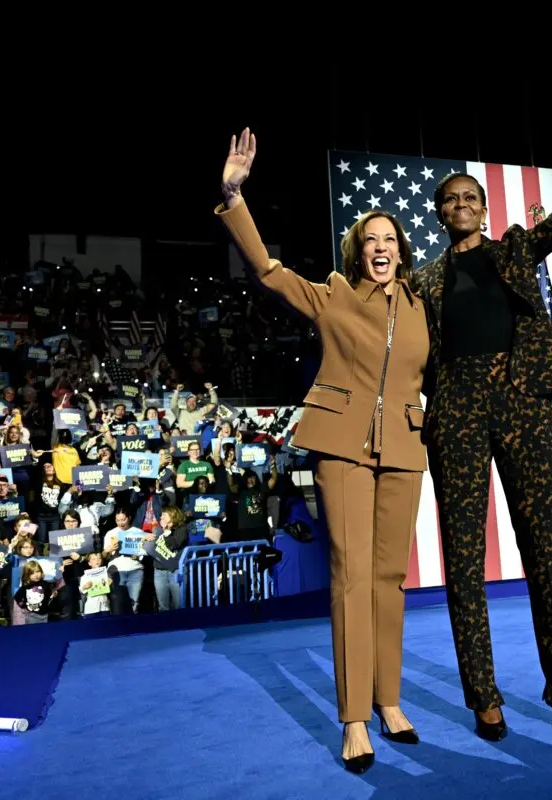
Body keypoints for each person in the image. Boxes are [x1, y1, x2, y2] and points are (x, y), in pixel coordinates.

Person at [410, 42, 552, 740]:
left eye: (470, 197)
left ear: (482, 206)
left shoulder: (514, 249)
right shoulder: (423, 281)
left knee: (546, 554)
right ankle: (484, 697)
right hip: (457, 413)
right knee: (465, 563)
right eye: (450, 201)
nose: (463, 206)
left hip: (521, 400)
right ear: (440, 215)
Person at [216, 129, 429, 774]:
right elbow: (268, 272)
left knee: (390, 580)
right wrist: (233, 195)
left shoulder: (425, 306)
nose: (380, 249)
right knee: (351, 575)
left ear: (404, 249)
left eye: (390, 240)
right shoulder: (334, 294)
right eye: (370, 241)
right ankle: (355, 718)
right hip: (340, 442)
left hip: (405, 446)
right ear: (356, 252)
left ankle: (389, 701)